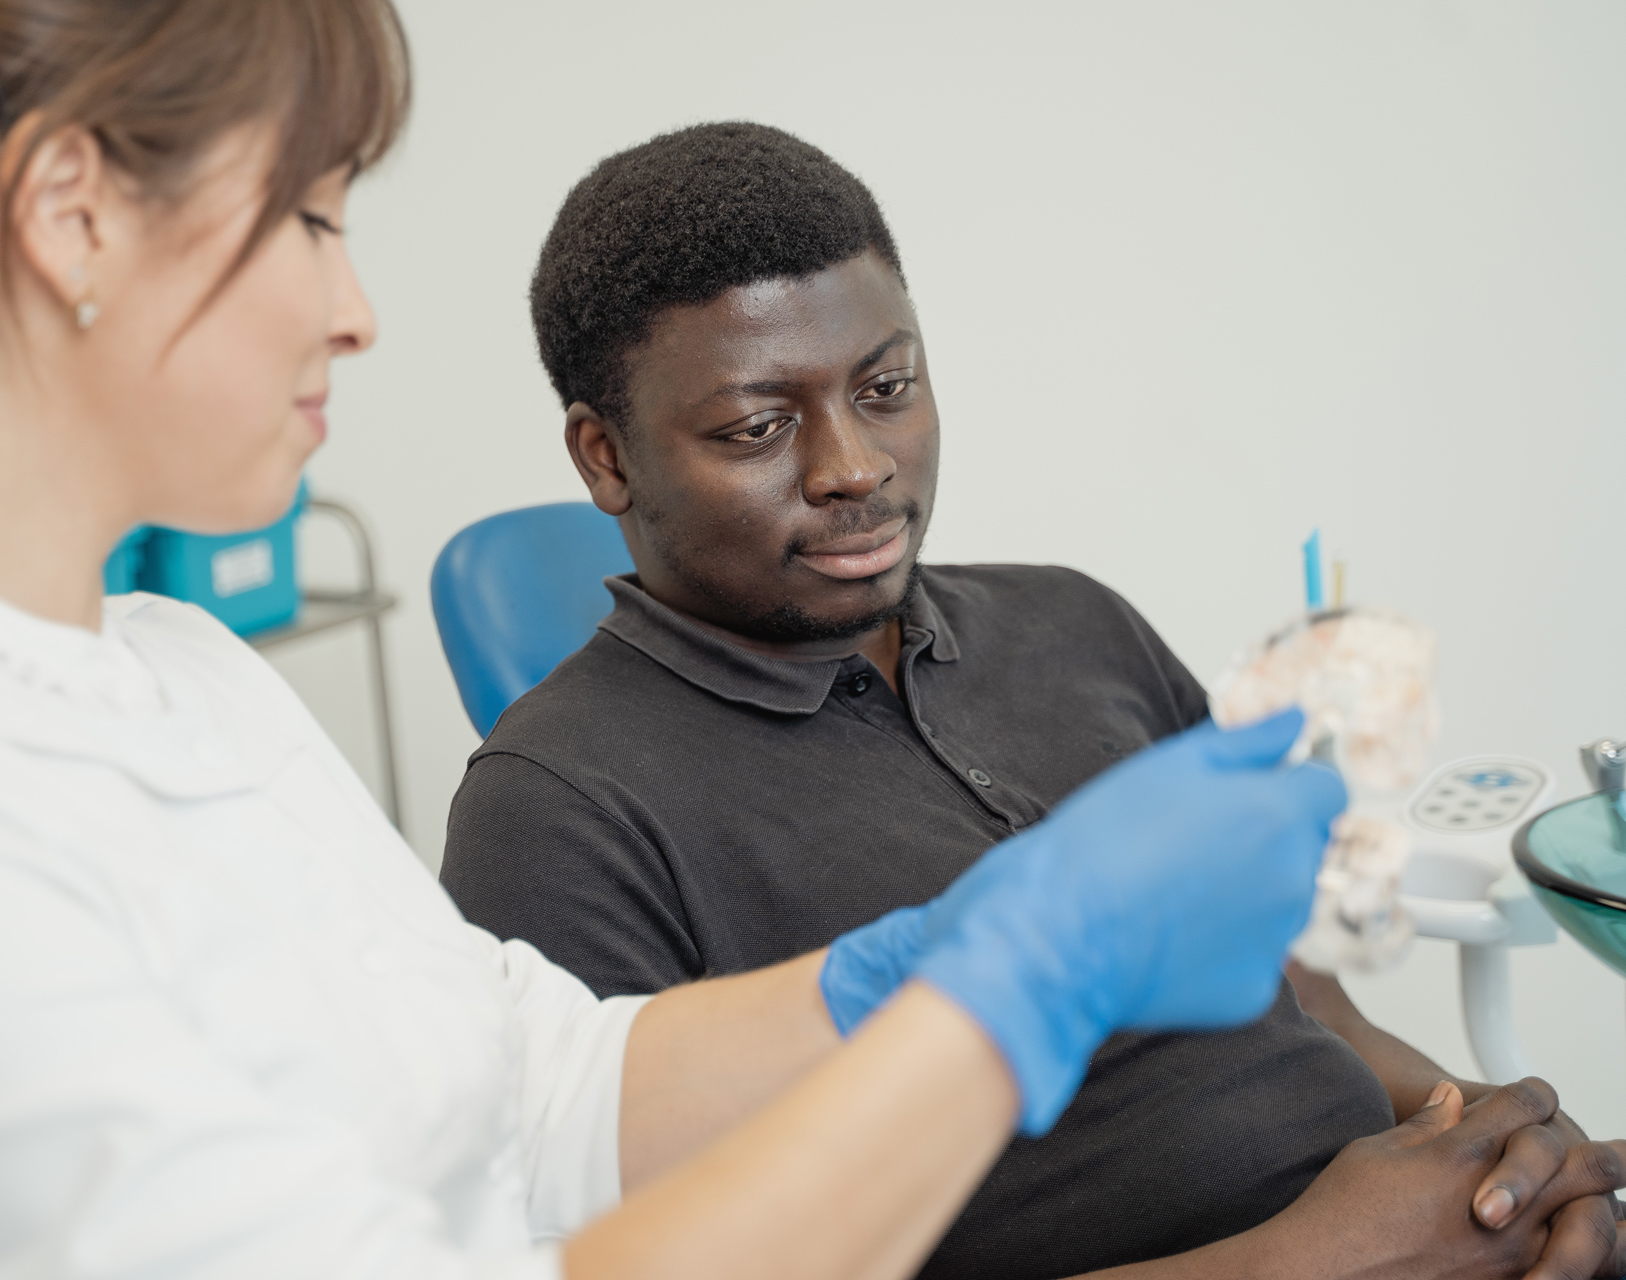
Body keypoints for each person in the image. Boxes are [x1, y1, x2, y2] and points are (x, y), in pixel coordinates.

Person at [0, 3, 1560, 1279]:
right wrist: (1035, 985)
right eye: (314, 216)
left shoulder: (185, 684)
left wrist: (941, 947)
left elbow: (542, 1091)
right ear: (70, 212)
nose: (356, 314)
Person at [438, 121, 1626, 1280]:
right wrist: (1318, 1256)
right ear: (605, 456)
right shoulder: (559, 809)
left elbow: (1309, 997)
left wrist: (1497, 1162)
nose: (855, 465)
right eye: (758, 425)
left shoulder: (1075, 619)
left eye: (888, 385)